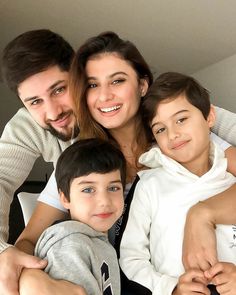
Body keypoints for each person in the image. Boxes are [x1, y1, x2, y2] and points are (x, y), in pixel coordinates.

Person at [15, 32, 236, 295]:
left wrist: (202, 215)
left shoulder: (179, 140)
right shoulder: (82, 160)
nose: (105, 96)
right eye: (93, 85)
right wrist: (30, 277)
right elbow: (28, 240)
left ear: (142, 85)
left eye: (117, 81)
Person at [119, 72, 236, 295]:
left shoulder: (231, 183)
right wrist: (171, 288)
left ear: (209, 117)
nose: (173, 134)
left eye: (181, 119)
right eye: (160, 129)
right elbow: (130, 257)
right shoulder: (148, 185)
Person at [0, 29, 84, 295]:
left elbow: (207, 116)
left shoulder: (110, 100)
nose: (53, 112)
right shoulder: (27, 125)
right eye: (35, 101)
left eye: (59, 89)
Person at [26, 138, 125, 295]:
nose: (104, 201)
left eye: (113, 188)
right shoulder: (70, 246)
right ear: (65, 198)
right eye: (88, 190)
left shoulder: (94, 240)